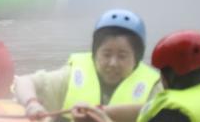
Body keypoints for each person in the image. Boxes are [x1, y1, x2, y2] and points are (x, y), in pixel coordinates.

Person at [14, 9, 162, 120]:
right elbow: (23, 81)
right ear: (95, 53)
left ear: (137, 58)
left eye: (122, 56)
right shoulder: (72, 76)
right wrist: (32, 103)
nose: (112, 63)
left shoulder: (155, 89)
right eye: (106, 54)